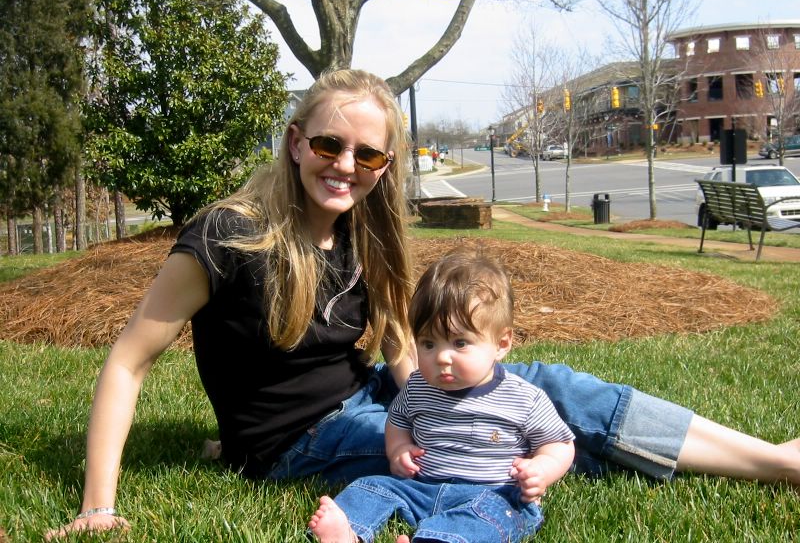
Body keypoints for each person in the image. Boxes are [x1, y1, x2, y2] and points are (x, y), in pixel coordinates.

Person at [46, 68, 800, 539]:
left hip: (378, 398)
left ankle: (772, 460)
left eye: (367, 154)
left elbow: (401, 350)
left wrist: (442, 404)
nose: (345, 165)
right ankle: (658, 462)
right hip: (300, 442)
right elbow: (128, 362)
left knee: (549, 390)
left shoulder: (365, 234)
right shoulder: (228, 235)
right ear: (295, 142)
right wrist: (98, 506)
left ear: (385, 164)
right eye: (329, 145)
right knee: (487, 453)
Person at [308, 250, 575, 543]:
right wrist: (399, 450)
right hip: (423, 488)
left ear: (501, 343)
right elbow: (397, 421)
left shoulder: (523, 398)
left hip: (494, 494)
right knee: (372, 487)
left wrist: (541, 469)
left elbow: (559, 444)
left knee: (487, 518)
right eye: (428, 343)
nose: (442, 357)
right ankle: (348, 532)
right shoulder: (417, 387)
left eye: (460, 343)